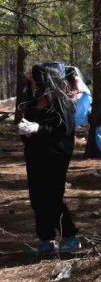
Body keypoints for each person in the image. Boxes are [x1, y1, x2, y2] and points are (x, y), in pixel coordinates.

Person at [18, 62, 80, 256]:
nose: (35, 84)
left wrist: (39, 129)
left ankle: (69, 236)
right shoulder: (34, 101)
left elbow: (64, 131)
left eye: (38, 80)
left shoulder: (63, 103)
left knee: (52, 196)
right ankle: (46, 239)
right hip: (35, 155)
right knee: (37, 197)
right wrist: (25, 131)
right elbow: (25, 125)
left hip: (55, 156)